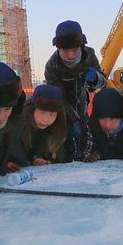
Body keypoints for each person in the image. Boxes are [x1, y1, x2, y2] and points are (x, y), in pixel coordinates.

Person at [44, 20, 106, 161]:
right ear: (59, 49)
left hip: (82, 102)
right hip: (63, 107)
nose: (71, 55)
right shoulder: (52, 66)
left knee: (85, 139)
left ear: (81, 46)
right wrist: (73, 118)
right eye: (66, 51)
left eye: (74, 50)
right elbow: (58, 98)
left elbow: (102, 83)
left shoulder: (89, 55)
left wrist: (96, 78)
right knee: (65, 140)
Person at [4, 84, 67, 170]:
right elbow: (6, 153)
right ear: (33, 109)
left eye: (52, 114)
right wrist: (8, 164)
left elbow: (62, 158)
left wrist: (47, 162)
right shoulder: (18, 126)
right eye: (42, 112)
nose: (46, 119)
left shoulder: (58, 130)